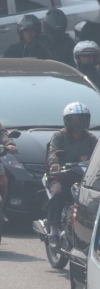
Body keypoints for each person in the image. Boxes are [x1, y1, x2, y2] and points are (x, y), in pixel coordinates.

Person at [46, 102, 98, 247]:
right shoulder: (59, 136)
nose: (77, 123)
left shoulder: (92, 139)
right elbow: (53, 152)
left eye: (81, 119)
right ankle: (54, 231)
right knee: (57, 194)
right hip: (62, 177)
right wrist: (54, 163)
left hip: (84, 178)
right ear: (67, 121)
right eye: (73, 119)